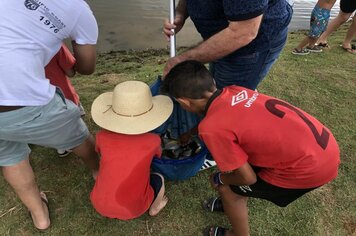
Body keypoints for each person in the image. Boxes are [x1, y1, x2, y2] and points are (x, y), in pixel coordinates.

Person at [161, 61, 340, 236]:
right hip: (325, 147)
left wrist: (219, 177)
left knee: (227, 190)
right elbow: (229, 121)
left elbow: (247, 177)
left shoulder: (212, 129)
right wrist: (191, 133)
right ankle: (232, 203)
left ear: (184, 103)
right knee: (236, 182)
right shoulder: (235, 91)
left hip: (310, 169)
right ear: (212, 82)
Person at [0, 0, 99, 231]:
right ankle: (98, 170)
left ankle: (40, 216)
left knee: (10, 157)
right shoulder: (78, 9)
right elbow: (86, 67)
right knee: (77, 136)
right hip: (23, 99)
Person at [162, 0, 292, 90]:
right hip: (223, 35)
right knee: (218, 85)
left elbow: (243, 33)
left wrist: (182, 60)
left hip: (252, 45)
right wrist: (180, 13)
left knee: (228, 99)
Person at [90, 81, 173, 220]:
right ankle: (154, 208)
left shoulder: (101, 136)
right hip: (133, 209)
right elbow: (158, 156)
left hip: (99, 203)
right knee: (159, 178)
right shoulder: (153, 141)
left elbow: (101, 151)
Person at [45, 43, 85, 157]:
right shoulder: (54, 43)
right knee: (74, 121)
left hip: (37, 98)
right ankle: (72, 144)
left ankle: (61, 147)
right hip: (63, 94)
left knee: (52, 121)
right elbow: (70, 72)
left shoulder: (8, 44)